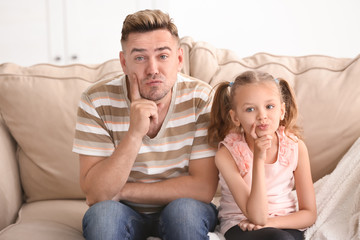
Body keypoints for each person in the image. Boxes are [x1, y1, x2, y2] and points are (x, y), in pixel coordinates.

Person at [72, 9, 219, 240]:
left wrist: (122, 191)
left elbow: (203, 188)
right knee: (103, 217)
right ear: (124, 62)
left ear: (179, 59)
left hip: (183, 206)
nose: (152, 69)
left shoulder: (201, 98)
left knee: (183, 215)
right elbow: (97, 194)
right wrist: (134, 134)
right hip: (122, 210)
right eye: (140, 57)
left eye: (162, 56)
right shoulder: (96, 100)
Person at [208, 70, 317, 240]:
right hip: (241, 225)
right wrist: (258, 158)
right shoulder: (226, 155)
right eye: (250, 109)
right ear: (235, 117)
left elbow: (309, 214)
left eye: (269, 106)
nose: (262, 116)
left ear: (282, 111)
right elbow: (256, 217)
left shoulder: (296, 147)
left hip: (284, 224)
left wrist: (271, 223)